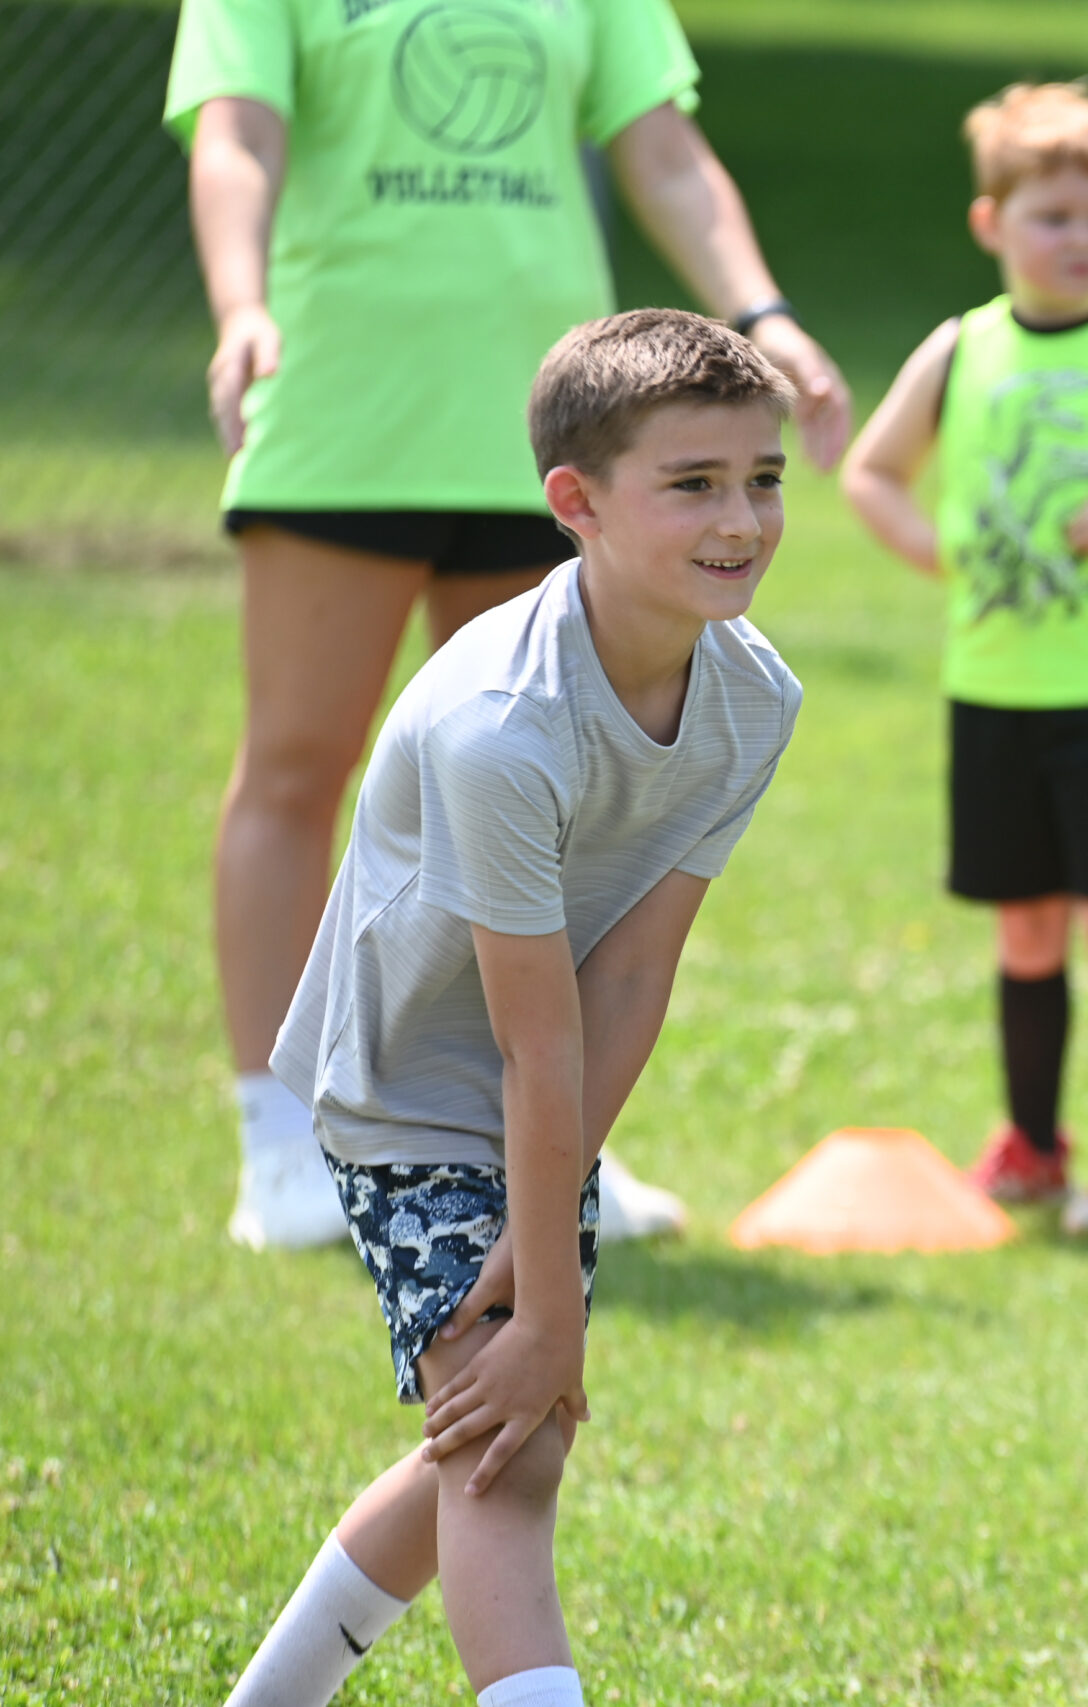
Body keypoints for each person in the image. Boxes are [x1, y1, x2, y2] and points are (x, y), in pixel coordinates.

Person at [167, 0, 851, 1251]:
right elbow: (238, 135)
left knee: (555, 788)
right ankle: (279, 1139)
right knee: (299, 764)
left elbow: (663, 149)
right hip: (338, 408)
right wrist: (238, 303)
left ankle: (538, 1135)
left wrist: (761, 315)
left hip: (550, 429)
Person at [218, 310, 802, 1707]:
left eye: (764, 477)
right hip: (405, 1091)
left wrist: (550, 1236)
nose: (743, 519)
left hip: (547, 1092)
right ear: (576, 502)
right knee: (510, 1446)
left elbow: (633, 974)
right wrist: (541, 1304)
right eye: (695, 483)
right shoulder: (501, 720)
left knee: (484, 1429)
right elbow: (531, 1034)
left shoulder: (755, 697)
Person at [840, 83, 1088, 1231]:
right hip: (993, 692)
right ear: (993, 225)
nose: (1081, 239)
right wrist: (931, 551)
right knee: (1025, 925)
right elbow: (870, 470)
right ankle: (1029, 1141)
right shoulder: (959, 350)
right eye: (1053, 216)